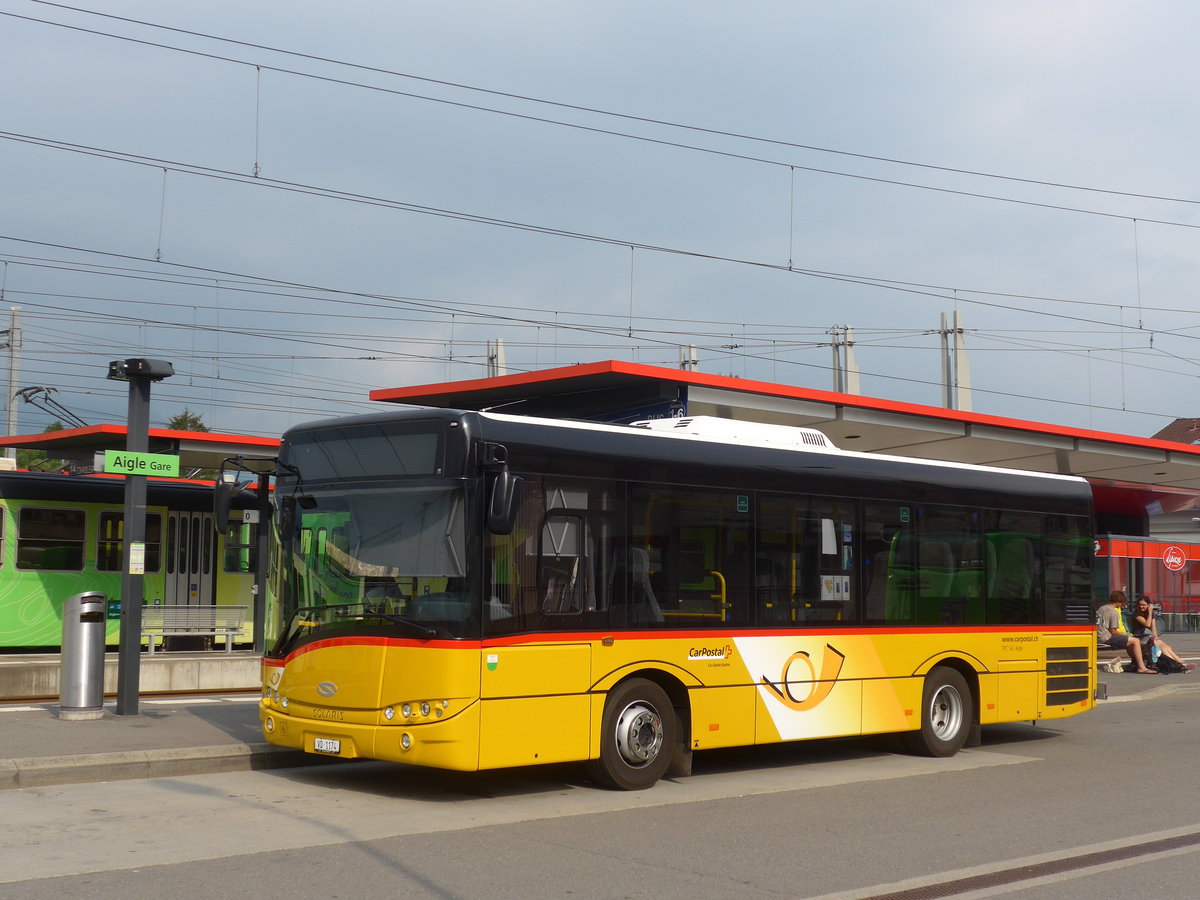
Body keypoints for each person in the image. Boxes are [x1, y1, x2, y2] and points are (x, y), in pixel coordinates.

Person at [1131, 595, 1195, 673]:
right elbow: (1147, 624)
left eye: (1144, 605)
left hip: (1148, 637)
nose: (1141, 607)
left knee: (1167, 647)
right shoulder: (1137, 614)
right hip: (1140, 638)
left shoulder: (1150, 614)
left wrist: (1155, 637)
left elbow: (1153, 628)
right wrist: (1150, 612)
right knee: (1162, 648)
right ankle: (1180, 664)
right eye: (1140, 604)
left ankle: (1181, 663)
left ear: (1148, 605)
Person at [1097, 590, 1153, 673]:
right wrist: (1126, 635)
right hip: (1106, 638)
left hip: (1098, 636)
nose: (1122, 605)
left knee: (1130, 641)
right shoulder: (1113, 612)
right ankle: (1142, 668)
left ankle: (1136, 663)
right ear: (1119, 601)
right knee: (1135, 641)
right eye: (1121, 603)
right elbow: (1113, 631)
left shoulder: (1101, 608)